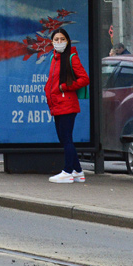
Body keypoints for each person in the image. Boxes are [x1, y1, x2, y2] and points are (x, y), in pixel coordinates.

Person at [45, 27, 89, 183]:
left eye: (62, 39)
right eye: (56, 40)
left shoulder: (71, 57)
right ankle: (78, 171)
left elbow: (84, 78)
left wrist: (65, 87)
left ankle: (67, 171)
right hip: (57, 104)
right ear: (52, 42)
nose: (59, 42)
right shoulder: (54, 58)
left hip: (67, 104)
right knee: (64, 138)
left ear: (67, 41)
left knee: (66, 138)